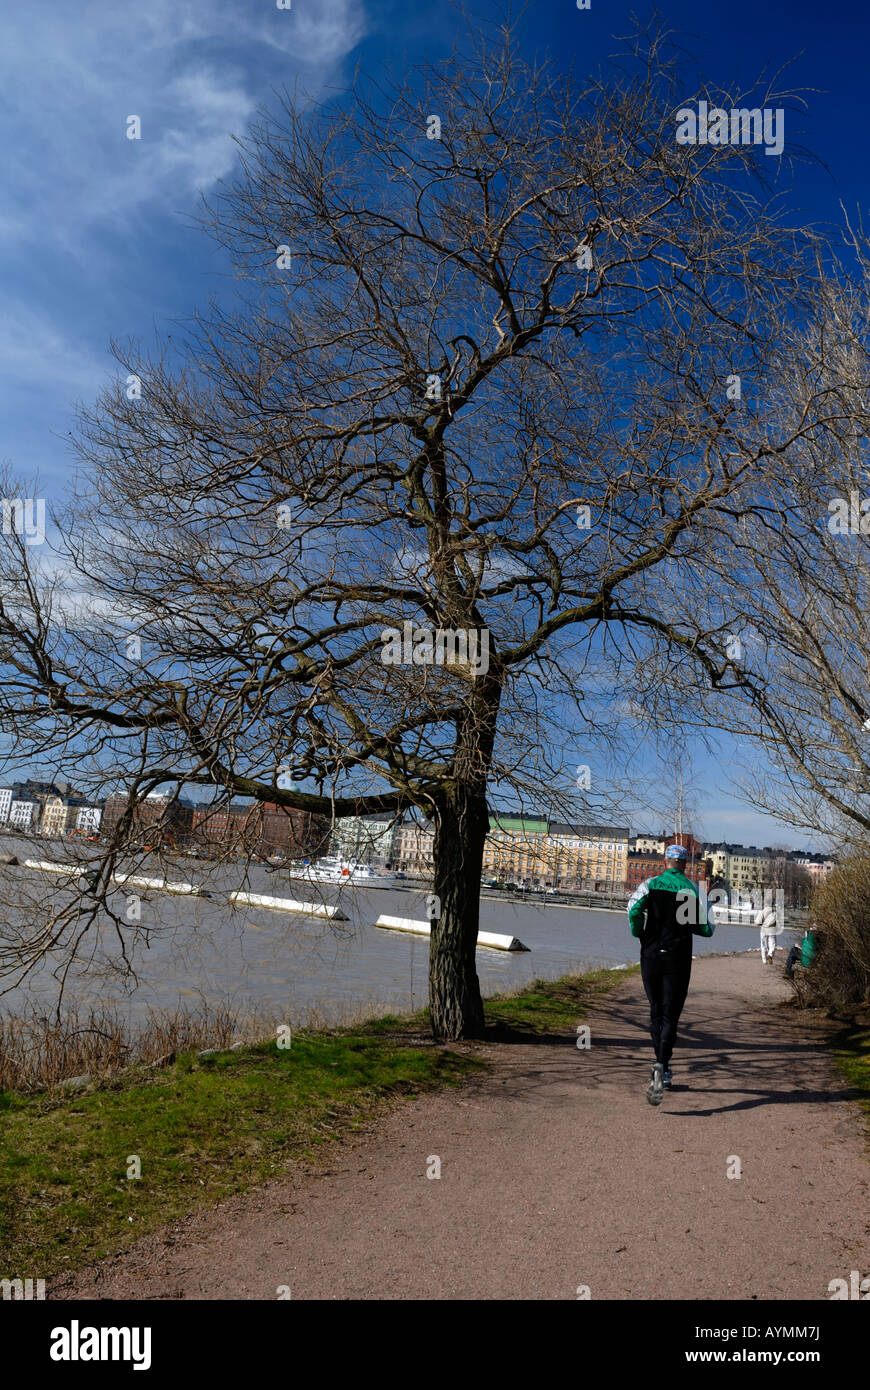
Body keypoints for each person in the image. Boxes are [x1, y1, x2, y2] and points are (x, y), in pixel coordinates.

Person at [627, 843, 715, 1105]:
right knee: (671, 1014)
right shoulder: (691, 890)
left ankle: (660, 1065)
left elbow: (632, 911)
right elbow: (707, 929)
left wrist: (639, 932)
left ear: (664, 862)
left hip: (651, 955)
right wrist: (687, 926)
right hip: (677, 959)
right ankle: (662, 1065)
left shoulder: (650, 885)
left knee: (655, 1010)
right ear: (685, 864)